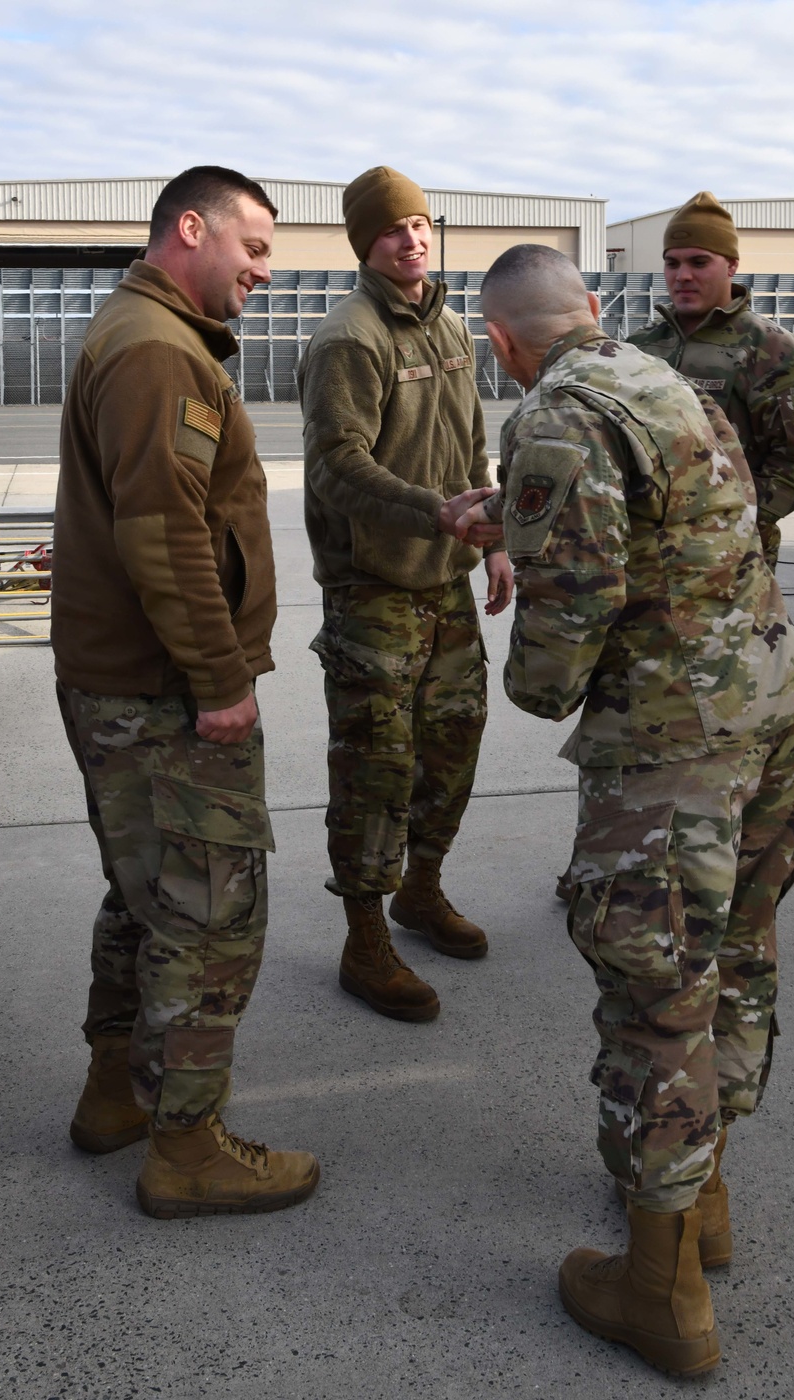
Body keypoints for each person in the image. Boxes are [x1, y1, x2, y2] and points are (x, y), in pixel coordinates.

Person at [456, 244, 794, 1374]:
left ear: (500, 342)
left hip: (672, 758)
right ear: (596, 309)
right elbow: (669, 531)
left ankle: (659, 1293)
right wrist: (518, 516)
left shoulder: (556, 416)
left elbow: (565, 636)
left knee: (654, 998)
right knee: (734, 955)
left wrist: (524, 683)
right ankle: (702, 1200)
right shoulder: (670, 383)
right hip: (771, 714)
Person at [53, 166, 319, 1219]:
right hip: (163, 689)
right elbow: (163, 534)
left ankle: (113, 1090)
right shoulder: (161, 353)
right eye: (252, 248)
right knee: (210, 914)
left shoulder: (140, 331)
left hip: (125, 678)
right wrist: (219, 681)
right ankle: (188, 1143)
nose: (263, 270)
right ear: (191, 229)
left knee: (148, 893)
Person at [297, 165, 511, 1024]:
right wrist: (436, 512)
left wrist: (491, 539)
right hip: (374, 590)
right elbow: (336, 467)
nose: (412, 239)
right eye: (393, 229)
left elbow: (468, 438)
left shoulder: (451, 325)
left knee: (453, 747)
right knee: (375, 771)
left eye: (421, 223)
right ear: (365, 243)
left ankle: (421, 893)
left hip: (449, 578)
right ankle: (364, 938)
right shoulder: (350, 337)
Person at [629, 190, 794, 571]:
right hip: (638, 554)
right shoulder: (638, 347)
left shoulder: (776, 352)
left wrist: (730, 517)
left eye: (699, 261)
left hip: (726, 561)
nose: (683, 275)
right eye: (672, 263)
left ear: (731, 266)